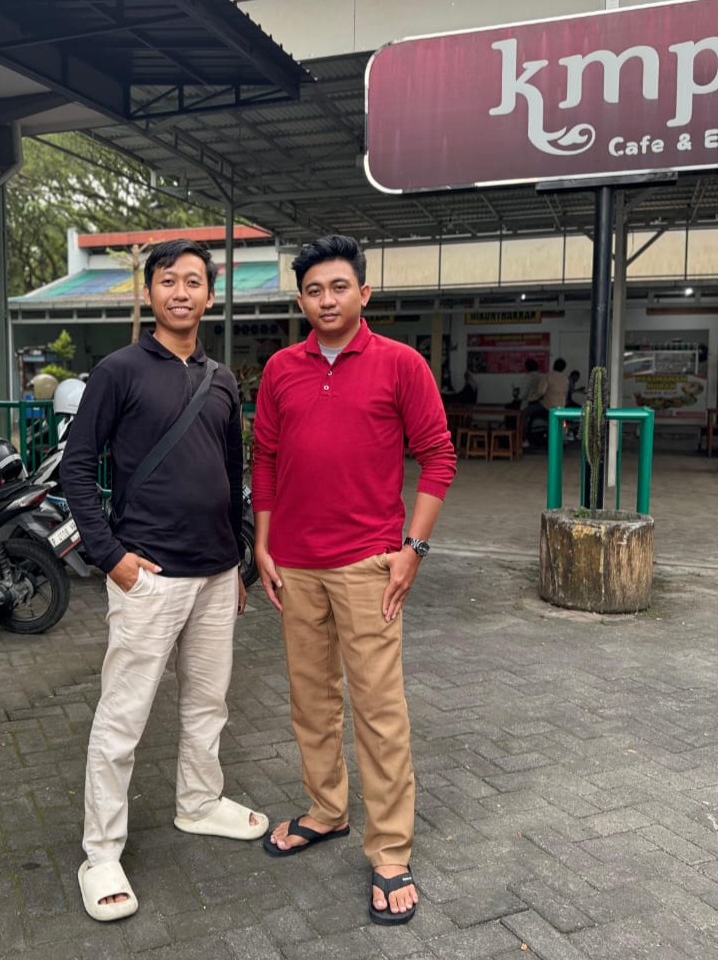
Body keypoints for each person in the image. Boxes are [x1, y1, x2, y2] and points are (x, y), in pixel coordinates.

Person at [60, 238, 267, 923]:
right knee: (122, 719)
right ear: (149, 293)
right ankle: (101, 853)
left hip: (215, 574)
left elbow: (232, 473)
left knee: (209, 704)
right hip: (147, 575)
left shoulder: (224, 379)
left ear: (210, 294)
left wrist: (237, 559)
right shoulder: (117, 371)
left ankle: (198, 802)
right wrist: (109, 556)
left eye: (194, 281)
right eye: (169, 280)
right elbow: (76, 467)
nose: (182, 292)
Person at [251, 235, 456, 926]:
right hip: (295, 564)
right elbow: (265, 458)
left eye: (339, 287)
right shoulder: (281, 369)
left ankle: (391, 850)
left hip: (370, 564)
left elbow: (438, 456)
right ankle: (326, 810)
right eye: (314, 290)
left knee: (378, 708)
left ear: (364, 293)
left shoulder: (401, 364)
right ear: (301, 300)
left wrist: (413, 550)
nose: (327, 300)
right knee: (311, 700)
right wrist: (263, 543)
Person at [522, 357, 569, 448]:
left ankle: (524, 439)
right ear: (563, 368)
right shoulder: (565, 379)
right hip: (561, 406)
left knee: (524, 414)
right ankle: (562, 439)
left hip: (547, 406)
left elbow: (541, 392)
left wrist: (531, 398)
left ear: (554, 365)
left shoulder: (547, 376)